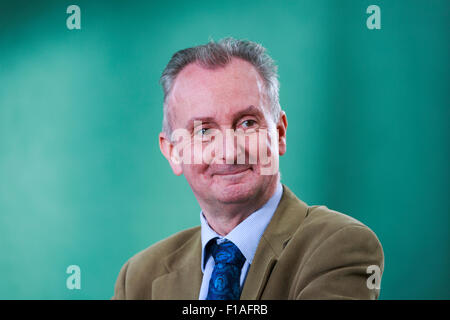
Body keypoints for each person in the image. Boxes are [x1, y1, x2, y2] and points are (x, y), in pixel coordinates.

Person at [112, 38, 384, 300]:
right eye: (204, 130)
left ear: (279, 133)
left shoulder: (340, 247)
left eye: (247, 123)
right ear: (173, 152)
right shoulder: (138, 278)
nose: (230, 152)